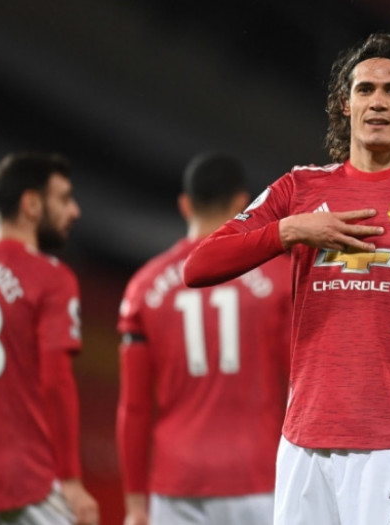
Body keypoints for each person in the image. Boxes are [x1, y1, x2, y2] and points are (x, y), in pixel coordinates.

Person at [182, 33, 390, 525]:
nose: (378, 101)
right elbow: (198, 266)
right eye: (365, 89)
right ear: (345, 103)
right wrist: (291, 230)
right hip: (303, 443)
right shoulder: (298, 188)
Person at [116, 152, 292, 524]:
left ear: (185, 204)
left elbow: (134, 407)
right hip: (258, 477)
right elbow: (301, 384)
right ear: (242, 204)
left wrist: (134, 503)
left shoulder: (143, 287)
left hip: (176, 483)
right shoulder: (280, 278)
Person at [0, 153, 99, 524]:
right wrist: (71, 480)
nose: (74, 211)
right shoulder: (51, 277)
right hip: (31, 483)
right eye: (64, 198)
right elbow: (56, 382)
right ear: (31, 204)